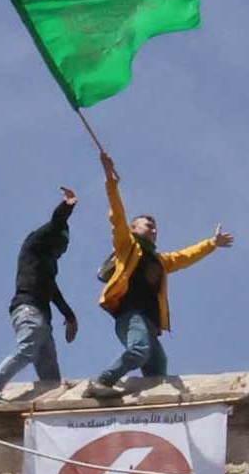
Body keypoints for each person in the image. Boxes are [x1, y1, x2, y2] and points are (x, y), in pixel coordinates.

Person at [90, 155, 230, 396]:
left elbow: (185, 256)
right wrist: (110, 182)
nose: (154, 230)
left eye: (155, 228)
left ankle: (152, 405)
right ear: (134, 228)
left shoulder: (160, 261)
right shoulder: (127, 246)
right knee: (138, 350)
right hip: (131, 316)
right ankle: (101, 382)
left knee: (157, 367)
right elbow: (117, 217)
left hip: (149, 323)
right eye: (148, 225)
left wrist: (212, 243)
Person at [0, 181, 83, 402]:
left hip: (42, 319)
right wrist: (67, 207)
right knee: (27, 347)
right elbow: (56, 222)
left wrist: (69, 316)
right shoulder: (34, 246)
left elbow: (53, 290)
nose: (62, 250)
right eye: (61, 244)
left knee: (51, 378)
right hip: (28, 310)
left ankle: (52, 405)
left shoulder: (48, 265)